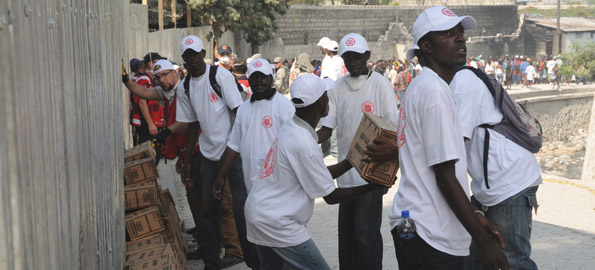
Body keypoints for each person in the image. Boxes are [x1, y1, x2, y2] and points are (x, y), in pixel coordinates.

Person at [372, 7, 509, 270]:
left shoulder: (423, 86)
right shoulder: (434, 92)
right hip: (430, 234)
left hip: (418, 226)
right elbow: (444, 176)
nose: (460, 39)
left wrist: (475, 214)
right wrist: (483, 244)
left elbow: (433, 164)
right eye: (448, 33)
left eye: (460, 32)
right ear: (426, 46)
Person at [245, 74, 382, 270]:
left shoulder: (293, 127)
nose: (328, 98)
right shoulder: (303, 143)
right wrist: (372, 187)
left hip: (260, 213)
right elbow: (331, 196)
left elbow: (318, 173)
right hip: (277, 222)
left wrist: (354, 159)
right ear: (319, 102)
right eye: (326, 95)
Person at [176, 35, 259, 270]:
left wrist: (239, 148)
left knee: (241, 210)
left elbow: (238, 112)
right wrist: (186, 160)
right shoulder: (184, 86)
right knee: (208, 212)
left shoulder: (219, 76)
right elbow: (192, 125)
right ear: (183, 58)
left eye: (195, 54)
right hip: (209, 156)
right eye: (187, 55)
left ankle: (253, 261)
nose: (191, 59)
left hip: (233, 153)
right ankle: (211, 264)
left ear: (203, 54)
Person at [316, 33, 398, 270]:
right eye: (348, 57)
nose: (353, 62)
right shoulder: (338, 88)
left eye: (357, 57)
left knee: (366, 234)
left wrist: (389, 172)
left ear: (367, 57)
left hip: (372, 174)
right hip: (346, 176)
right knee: (348, 236)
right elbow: (328, 129)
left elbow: (393, 129)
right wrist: (305, 139)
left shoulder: (381, 85)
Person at [451, 57, 542, 270]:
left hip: (509, 182)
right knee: (477, 259)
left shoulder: (462, 83)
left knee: (513, 261)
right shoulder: (456, 81)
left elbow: (453, 145)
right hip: (492, 185)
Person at [122, 59, 204, 257]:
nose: (162, 80)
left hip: (200, 150)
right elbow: (142, 92)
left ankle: (211, 244)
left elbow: (187, 122)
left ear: (175, 73)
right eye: (158, 77)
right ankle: (203, 237)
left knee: (203, 199)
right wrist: (125, 80)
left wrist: (165, 132)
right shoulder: (166, 91)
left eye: (165, 75)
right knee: (193, 198)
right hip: (185, 152)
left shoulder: (185, 89)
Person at [212, 58, 295, 196]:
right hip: (251, 184)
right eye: (255, 77)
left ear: (271, 78)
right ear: (249, 79)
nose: (259, 80)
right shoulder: (243, 109)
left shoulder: (284, 106)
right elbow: (234, 145)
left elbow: (294, 144)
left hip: (279, 185)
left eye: (263, 76)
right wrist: (221, 175)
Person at [131, 53, 166, 145]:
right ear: (150, 64)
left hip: (147, 121)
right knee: (153, 152)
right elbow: (142, 102)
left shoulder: (137, 76)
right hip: (147, 122)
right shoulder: (144, 78)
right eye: (157, 64)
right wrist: (150, 123)